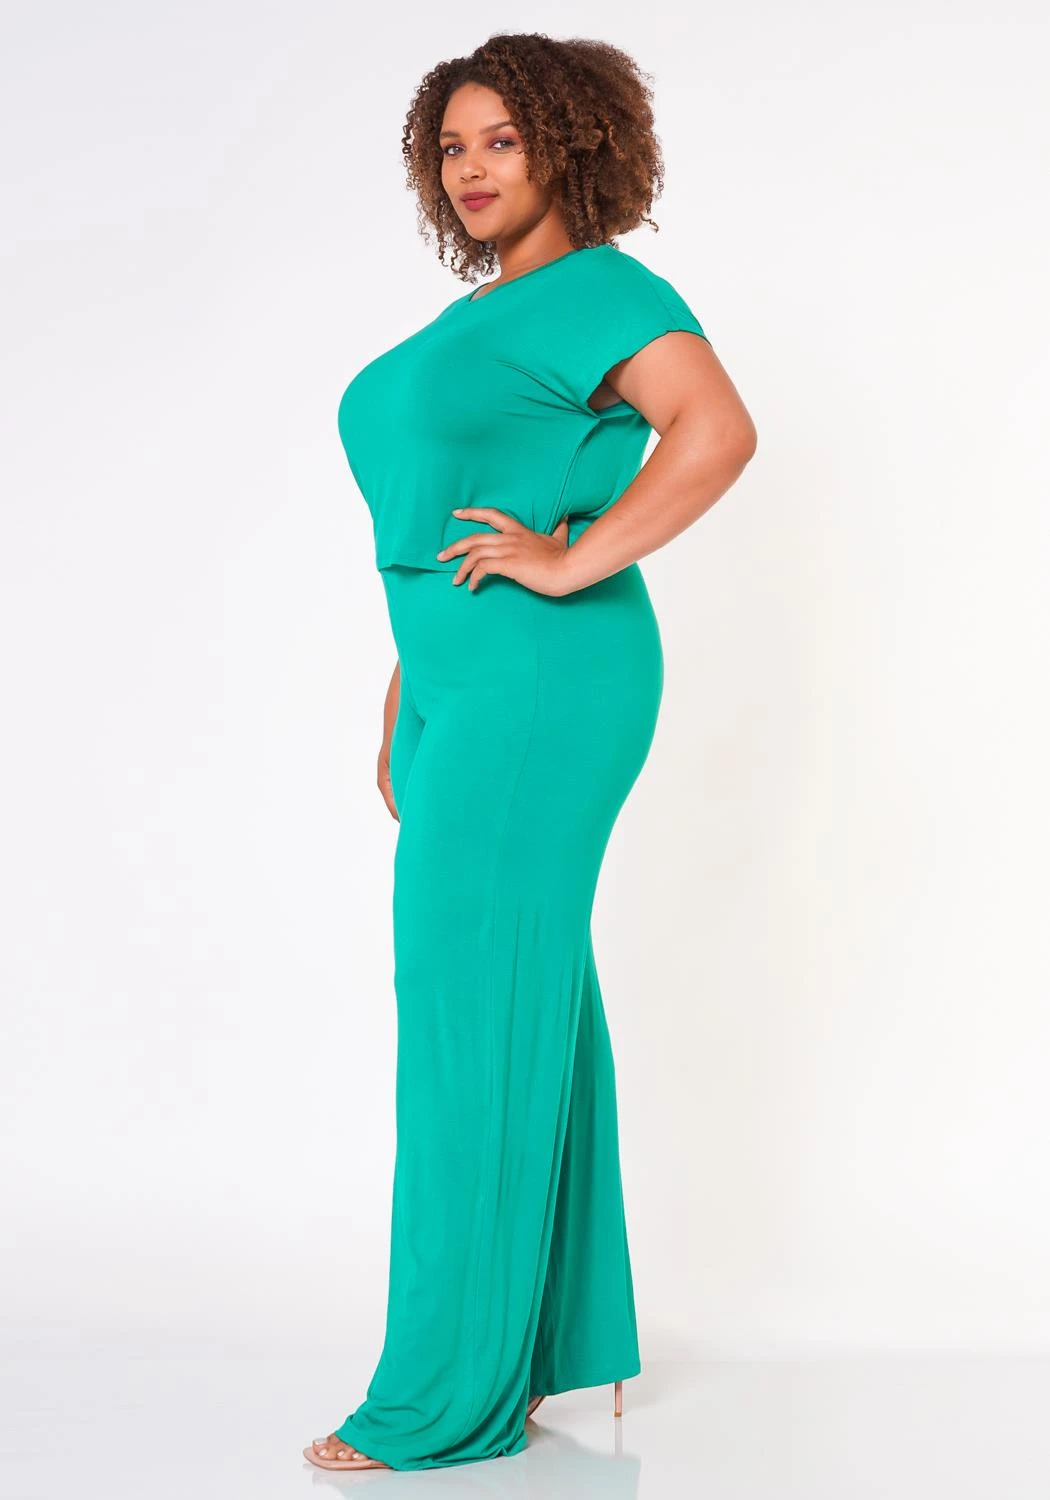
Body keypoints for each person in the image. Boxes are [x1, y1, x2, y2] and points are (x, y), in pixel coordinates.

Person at [305, 31, 756, 1473]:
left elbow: (716, 430)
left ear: (570, 142)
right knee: (523, 991)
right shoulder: (483, 320)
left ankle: (447, 1395)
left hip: (545, 685)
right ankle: (561, 1343)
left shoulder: (607, 292)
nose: (471, 167)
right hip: (463, 684)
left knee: (466, 1007)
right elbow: (452, 514)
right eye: (451, 146)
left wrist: (568, 561)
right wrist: (410, 677)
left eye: (502, 139)